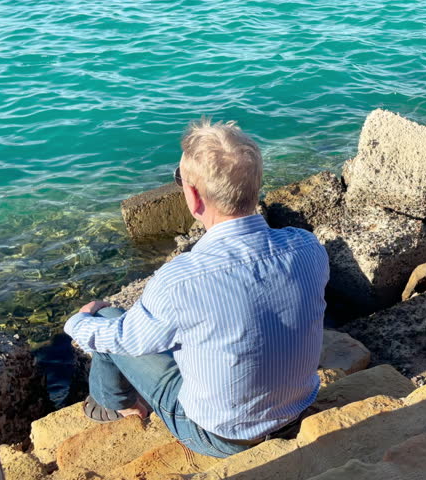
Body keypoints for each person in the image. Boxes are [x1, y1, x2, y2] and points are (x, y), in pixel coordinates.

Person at [64, 118, 330, 458]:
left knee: (108, 319)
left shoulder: (181, 280)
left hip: (220, 436)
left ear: (192, 195)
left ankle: (110, 405)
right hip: (297, 409)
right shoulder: (307, 247)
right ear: (256, 185)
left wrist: (78, 322)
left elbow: (122, 339)